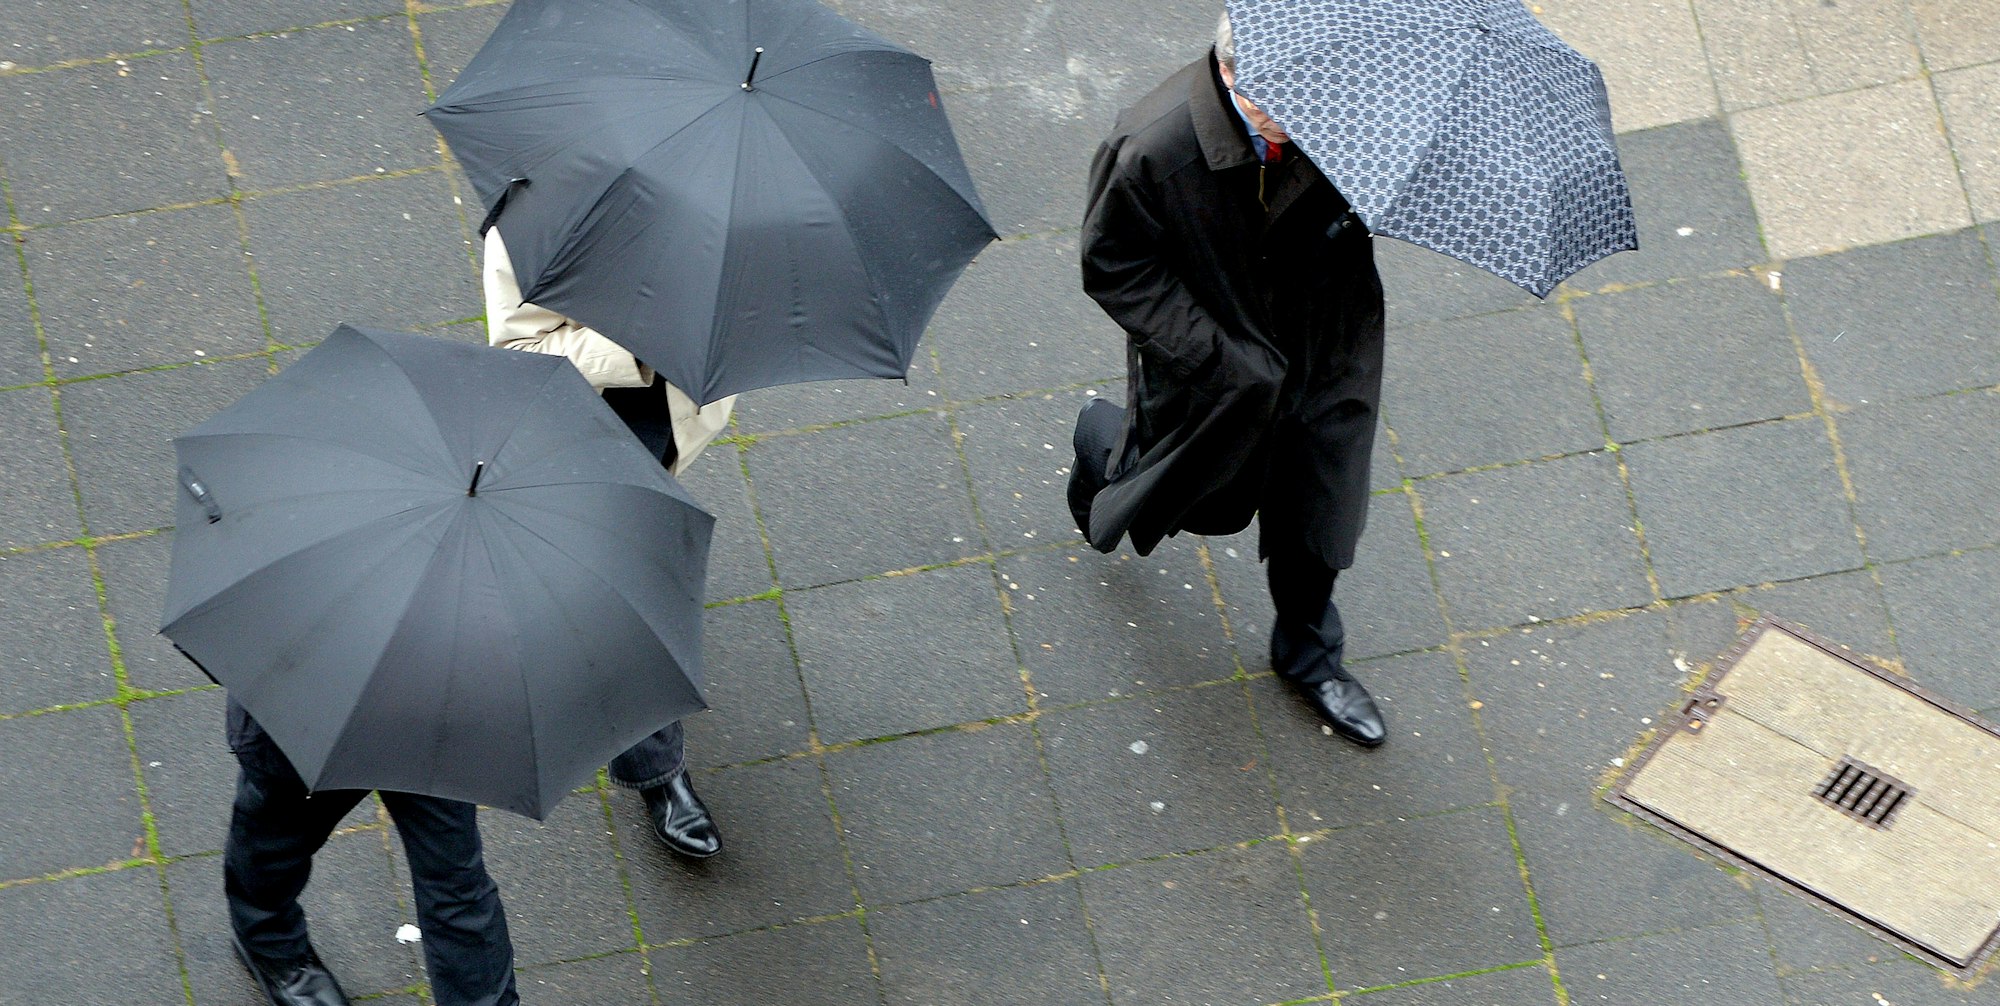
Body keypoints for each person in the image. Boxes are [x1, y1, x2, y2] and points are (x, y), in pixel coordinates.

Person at [1068, 10, 1386, 748]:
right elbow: (1111, 265)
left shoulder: (1340, 105)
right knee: (1197, 497)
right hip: (1221, 367)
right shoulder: (1151, 146)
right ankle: (1099, 446)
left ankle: (1308, 655)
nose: (1295, 125)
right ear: (1230, 75)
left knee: (1322, 503)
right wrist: (1219, 360)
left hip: (1328, 343)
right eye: (1276, 107)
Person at [484, 224, 736, 859]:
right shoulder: (528, 225)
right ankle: (659, 772)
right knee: (621, 599)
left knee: (638, 566)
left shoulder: (714, 203)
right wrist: (638, 345)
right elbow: (520, 353)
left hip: (673, 411)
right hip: (580, 426)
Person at [223, 700, 517, 1006]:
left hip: (432, 712)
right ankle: (267, 938)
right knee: (278, 835)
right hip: (317, 707)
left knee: (456, 881)